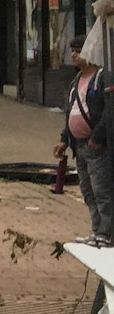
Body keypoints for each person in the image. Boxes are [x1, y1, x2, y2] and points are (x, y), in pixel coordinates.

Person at [57, 36, 114, 246]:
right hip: (79, 146)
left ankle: (107, 232)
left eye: (78, 50)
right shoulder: (76, 80)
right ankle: (97, 229)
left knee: (102, 190)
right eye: (72, 50)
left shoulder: (102, 78)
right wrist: (64, 139)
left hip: (95, 145)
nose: (74, 55)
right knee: (88, 191)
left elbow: (109, 110)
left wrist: (97, 138)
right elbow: (71, 110)